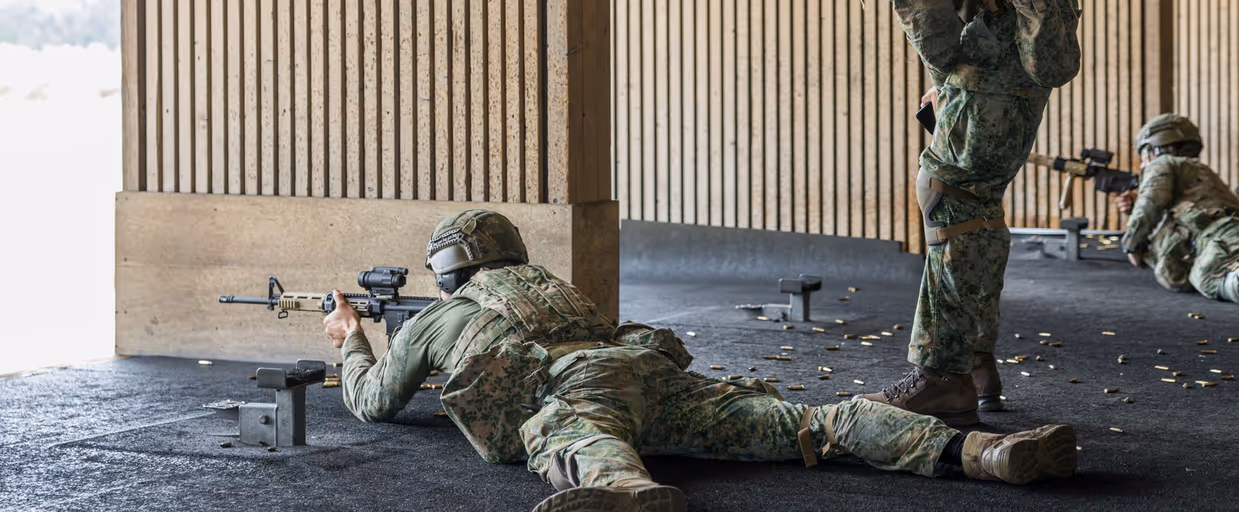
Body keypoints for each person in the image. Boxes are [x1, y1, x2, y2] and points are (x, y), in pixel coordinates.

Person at [323, 209, 1078, 512]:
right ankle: (984, 450)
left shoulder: (446, 314)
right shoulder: (550, 286)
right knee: (809, 421)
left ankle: (627, 491)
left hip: (577, 389)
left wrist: (351, 334)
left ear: (448, 272)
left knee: (573, 434)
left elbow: (373, 402)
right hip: (647, 371)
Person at [741, 0, 1094, 422]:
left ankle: (944, 376)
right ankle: (972, 360)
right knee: (966, 194)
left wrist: (949, 75)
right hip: (1009, 29)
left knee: (950, 189)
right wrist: (946, 82)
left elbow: (923, 7)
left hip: (1005, 37)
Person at [1114, 114, 1239, 302]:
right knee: (1208, 275)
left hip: (1222, 239)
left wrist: (1132, 244)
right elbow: (1173, 262)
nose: (1142, 165)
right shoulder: (1197, 175)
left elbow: (1151, 203)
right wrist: (1132, 211)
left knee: (1213, 275)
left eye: (1144, 155)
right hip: (1218, 241)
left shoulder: (1163, 164)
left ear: (1156, 148)